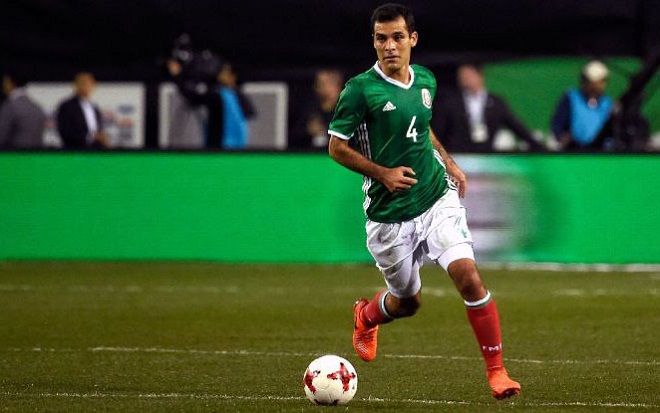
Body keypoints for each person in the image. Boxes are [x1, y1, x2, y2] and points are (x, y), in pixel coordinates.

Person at [327, 3, 520, 400]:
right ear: (374, 42)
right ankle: (366, 316)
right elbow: (336, 147)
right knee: (408, 303)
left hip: (435, 197)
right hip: (388, 214)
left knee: (468, 277)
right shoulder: (360, 90)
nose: (389, 46)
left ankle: (497, 372)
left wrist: (450, 164)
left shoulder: (426, 80)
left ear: (412, 39)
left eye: (397, 37)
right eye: (381, 39)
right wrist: (383, 173)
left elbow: (423, 129)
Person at [434, 63, 545, 152]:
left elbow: (517, 127)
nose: (463, 78)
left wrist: (540, 147)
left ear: (479, 75)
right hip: (457, 157)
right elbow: (438, 131)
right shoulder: (450, 102)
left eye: (467, 74)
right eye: (461, 75)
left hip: (486, 156)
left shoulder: (496, 103)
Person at [551, 60, 614, 150]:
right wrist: (562, 137)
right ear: (583, 81)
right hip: (574, 151)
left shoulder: (608, 104)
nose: (594, 87)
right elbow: (558, 125)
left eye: (598, 82)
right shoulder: (571, 98)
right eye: (590, 82)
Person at [56, 72, 108, 149]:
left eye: (89, 84)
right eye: (83, 83)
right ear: (75, 86)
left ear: (93, 86)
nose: (86, 87)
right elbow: (65, 132)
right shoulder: (67, 106)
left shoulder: (94, 108)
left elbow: (98, 129)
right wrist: (90, 137)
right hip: (75, 150)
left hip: (96, 150)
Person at [296, 69, 344, 150]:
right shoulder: (310, 109)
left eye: (327, 83)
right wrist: (308, 130)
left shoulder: (346, 111)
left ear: (337, 86)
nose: (321, 88)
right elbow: (295, 135)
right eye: (319, 84)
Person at [0, 71, 46, 149]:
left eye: (5, 82)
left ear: (10, 83)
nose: (3, 85)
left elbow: (1, 136)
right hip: (35, 154)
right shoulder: (36, 107)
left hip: (13, 154)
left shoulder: (10, 107)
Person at [214, 62, 255, 149]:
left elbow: (250, 112)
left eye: (226, 73)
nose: (222, 75)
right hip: (219, 141)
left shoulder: (237, 95)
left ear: (233, 77)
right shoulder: (217, 93)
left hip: (236, 141)